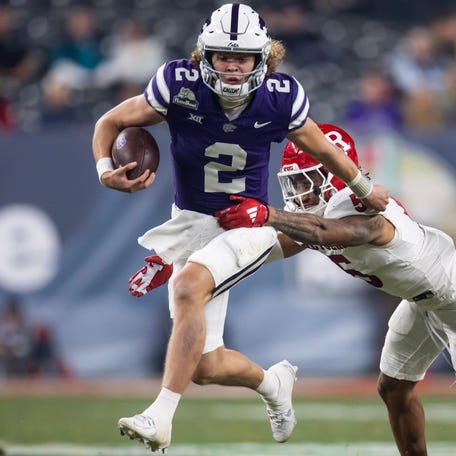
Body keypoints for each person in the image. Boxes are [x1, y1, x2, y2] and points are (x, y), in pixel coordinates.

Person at [92, 4, 389, 452]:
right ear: (204, 56)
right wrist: (103, 170)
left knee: (190, 286)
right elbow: (109, 122)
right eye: (222, 56)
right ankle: (272, 383)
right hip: (191, 221)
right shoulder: (178, 84)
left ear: (262, 59)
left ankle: (160, 415)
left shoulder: (280, 96)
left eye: (243, 58)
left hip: (247, 219)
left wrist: (364, 186)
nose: (232, 66)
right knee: (204, 366)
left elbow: (323, 148)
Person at [215, 123, 456, 456]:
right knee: (394, 389)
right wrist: (203, 262)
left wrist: (267, 214)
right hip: (424, 302)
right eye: (294, 180)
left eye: (306, 179)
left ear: (337, 174)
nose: (299, 189)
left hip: (452, 292)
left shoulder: (362, 207)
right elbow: (272, 247)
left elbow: (325, 232)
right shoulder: (320, 217)